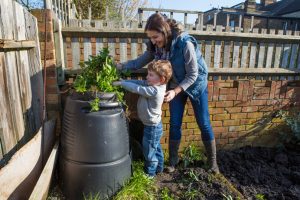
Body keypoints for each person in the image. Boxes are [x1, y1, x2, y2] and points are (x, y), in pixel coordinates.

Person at [117, 13, 219, 174]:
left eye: (155, 37)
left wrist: (176, 91)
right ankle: (173, 162)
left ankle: (213, 163)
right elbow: (138, 63)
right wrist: (119, 66)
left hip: (196, 84)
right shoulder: (156, 46)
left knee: (204, 123)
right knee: (175, 123)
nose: (153, 41)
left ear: (164, 32)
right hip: (174, 86)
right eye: (150, 37)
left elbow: (193, 74)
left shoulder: (185, 44)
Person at [113, 60, 172, 177]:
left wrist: (122, 84)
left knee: (149, 151)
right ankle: (159, 168)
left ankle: (150, 174)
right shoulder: (153, 84)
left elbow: (137, 89)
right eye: (148, 74)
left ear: (162, 79)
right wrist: (125, 81)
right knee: (156, 148)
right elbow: (138, 83)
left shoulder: (155, 91)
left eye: (151, 75)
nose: (147, 77)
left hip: (152, 127)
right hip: (154, 125)